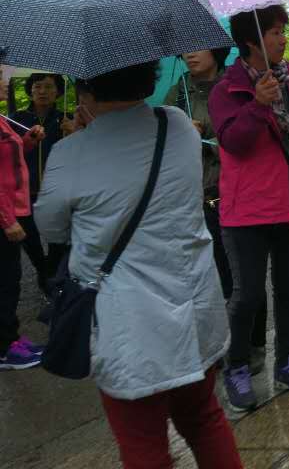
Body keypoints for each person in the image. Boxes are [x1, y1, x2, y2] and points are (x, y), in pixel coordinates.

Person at [35, 61, 242, 467]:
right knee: (204, 419)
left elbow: (52, 228)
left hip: (128, 322)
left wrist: (78, 143)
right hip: (194, 305)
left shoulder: (70, 152)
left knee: (144, 443)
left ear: (86, 92)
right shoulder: (177, 126)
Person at [208, 5, 289, 413]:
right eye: (276, 32)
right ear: (252, 42)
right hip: (246, 210)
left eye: (283, 31)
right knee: (247, 294)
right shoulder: (225, 90)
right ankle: (237, 366)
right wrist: (258, 105)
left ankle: (288, 359)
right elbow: (234, 142)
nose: (284, 38)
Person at [166, 49, 270, 376]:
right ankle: (228, 345)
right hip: (196, 195)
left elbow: (247, 138)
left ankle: (253, 344)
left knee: (245, 278)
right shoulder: (179, 92)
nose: (189, 55)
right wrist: (182, 134)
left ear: (215, 50)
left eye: (197, 47)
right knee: (215, 278)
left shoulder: (234, 86)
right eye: (185, 50)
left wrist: (205, 137)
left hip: (235, 192)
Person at [10, 72, 75, 294]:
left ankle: (53, 272)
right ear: (30, 90)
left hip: (57, 188)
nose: (43, 92)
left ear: (58, 92)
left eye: (49, 87)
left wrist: (73, 132)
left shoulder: (66, 118)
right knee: (30, 239)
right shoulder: (16, 118)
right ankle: (43, 271)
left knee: (58, 237)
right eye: (38, 87)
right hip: (25, 190)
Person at [0, 68, 45, 370]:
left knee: (10, 279)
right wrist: (7, 220)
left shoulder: (2, 118)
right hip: (4, 215)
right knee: (4, 281)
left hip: (12, 210)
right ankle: (5, 349)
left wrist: (28, 141)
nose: (3, 83)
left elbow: (8, 160)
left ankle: (11, 335)